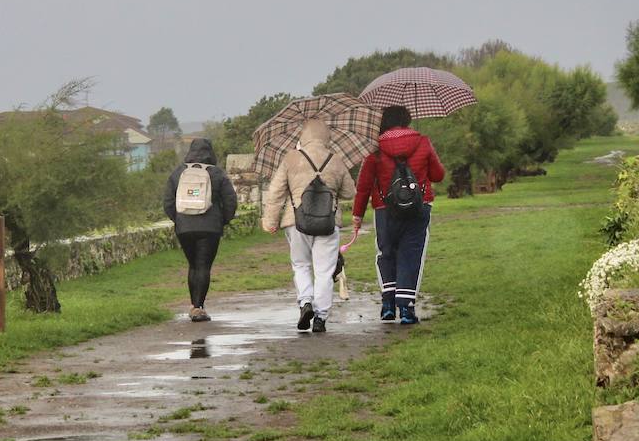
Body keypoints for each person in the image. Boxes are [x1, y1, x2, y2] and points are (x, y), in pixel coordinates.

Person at [351, 105, 445, 325]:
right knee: (411, 255)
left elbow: (364, 186)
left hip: (385, 210)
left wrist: (357, 215)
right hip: (418, 209)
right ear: (407, 120)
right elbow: (438, 175)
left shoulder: (374, 149)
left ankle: (387, 305)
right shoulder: (422, 141)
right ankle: (406, 309)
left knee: (386, 253)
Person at [261, 119, 356, 334]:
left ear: (303, 136)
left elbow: (276, 193)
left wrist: (270, 222)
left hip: (296, 221)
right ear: (326, 137)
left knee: (301, 264)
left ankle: (305, 302)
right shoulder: (336, 160)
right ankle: (321, 317)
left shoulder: (290, 158)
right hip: (328, 222)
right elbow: (350, 193)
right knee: (324, 270)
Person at [163, 137, 238, 322]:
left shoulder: (177, 173)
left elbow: (167, 203)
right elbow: (231, 201)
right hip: (210, 228)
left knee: (193, 265)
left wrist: (179, 220)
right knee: (203, 265)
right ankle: (198, 307)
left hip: (184, 228)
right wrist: (222, 221)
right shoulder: (217, 174)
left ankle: (194, 305)